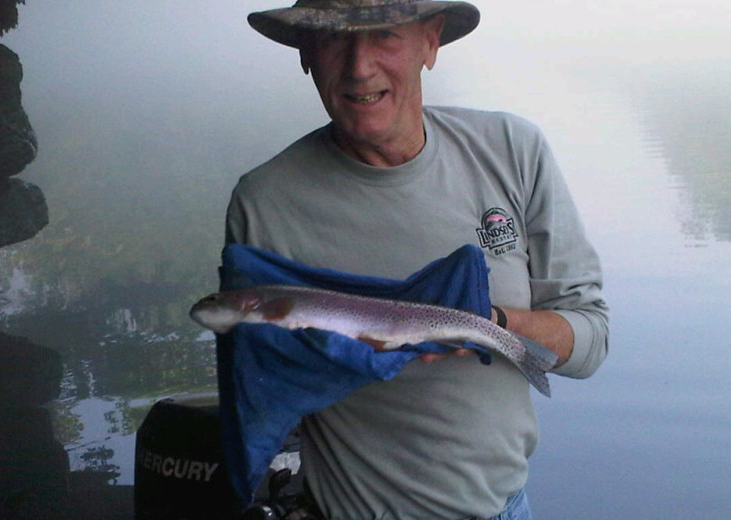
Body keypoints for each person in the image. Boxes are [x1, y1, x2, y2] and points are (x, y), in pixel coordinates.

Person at [225, 1, 609, 518]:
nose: (360, 67)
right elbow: (259, 393)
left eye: (383, 33)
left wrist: (486, 324)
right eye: (335, 38)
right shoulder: (264, 202)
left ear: (430, 42)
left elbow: (590, 339)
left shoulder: (512, 150)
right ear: (306, 54)